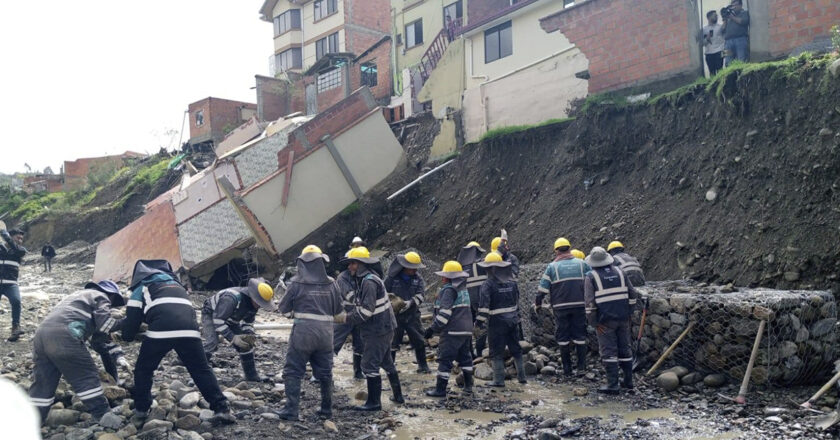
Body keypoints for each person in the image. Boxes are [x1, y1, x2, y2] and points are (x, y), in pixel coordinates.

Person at [123, 260, 234, 426]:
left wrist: (127, 336)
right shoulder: (178, 287)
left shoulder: (142, 287)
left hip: (161, 328)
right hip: (190, 329)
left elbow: (131, 323)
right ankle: (222, 408)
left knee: (144, 369)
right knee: (201, 369)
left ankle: (141, 409)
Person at [28, 280, 129, 422]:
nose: (111, 305)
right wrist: (129, 321)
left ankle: (33, 419)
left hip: (41, 335)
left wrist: (117, 355)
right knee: (85, 376)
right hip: (64, 335)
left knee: (44, 381)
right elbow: (107, 324)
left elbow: (100, 341)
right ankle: (103, 415)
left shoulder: (75, 297)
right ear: (111, 295)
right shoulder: (100, 296)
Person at [276, 245, 343, 420]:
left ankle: (291, 410)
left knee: (293, 370)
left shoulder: (296, 283)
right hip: (326, 335)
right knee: (325, 372)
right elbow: (337, 311)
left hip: (303, 334)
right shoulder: (331, 283)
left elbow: (282, 309)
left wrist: (294, 314)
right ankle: (326, 410)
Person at [345, 246, 404, 410]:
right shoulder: (371, 278)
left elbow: (366, 311)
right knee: (387, 362)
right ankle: (398, 397)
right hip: (385, 327)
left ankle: (374, 403)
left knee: (369, 364)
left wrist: (346, 318)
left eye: (353, 263)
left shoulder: (368, 282)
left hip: (377, 330)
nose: (350, 267)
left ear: (362, 264)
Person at [584, 247, 640, 394]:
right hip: (623, 318)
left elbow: (589, 304)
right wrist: (629, 313)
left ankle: (613, 385)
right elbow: (633, 294)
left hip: (605, 321)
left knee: (609, 352)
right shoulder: (621, 272)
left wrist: (594, 323)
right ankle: (628, 382)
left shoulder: (591, 276)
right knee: (625, 349)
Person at [201, 278, 275, 381]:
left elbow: (248, 322)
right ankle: (199, 371)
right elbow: (218, 320)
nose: (260, 306)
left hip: (231, 317)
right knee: (212, 342)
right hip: (211, 314)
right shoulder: (231, 298)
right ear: (253, 297)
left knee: (245, 344)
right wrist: (232, 337)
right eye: (259, 302)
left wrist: (249, 334)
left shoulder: (252, 305)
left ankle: (251, 376)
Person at [536, 238, 591, 377]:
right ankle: (581, 368)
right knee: (580, 335)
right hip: (580, 305)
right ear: (569, 248)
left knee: (563, 337)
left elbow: (542, 289)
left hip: (561, 307)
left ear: (556, 250)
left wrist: (538, 304)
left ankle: (567, 370)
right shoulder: (582, 264)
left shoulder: (552, 267)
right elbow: (593, 280)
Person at [424, 261, 474, 397]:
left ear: (447, 277)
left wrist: (431, 329)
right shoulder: (464, 290)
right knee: (465, 357)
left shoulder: (448, 290)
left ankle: (440, 390)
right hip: (467, 330)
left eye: (444, 276)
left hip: (452, 331)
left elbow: (444, 314)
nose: (442, 278)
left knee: (444, 359)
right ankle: (468, 386)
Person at [475, 252, 526, 387]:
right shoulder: (512, 282)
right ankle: (522, 377)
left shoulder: (488, 284)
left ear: (490, 269)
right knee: (516, 349)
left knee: (496, 352)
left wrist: (479, 322)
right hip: (513, 321)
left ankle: (498, 380)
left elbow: (484, 307)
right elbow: (517, 301)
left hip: (497, 323)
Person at [385, 252, 431, 373]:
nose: (415, 270)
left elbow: (421, 295)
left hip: (412, 315)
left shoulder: (418, 278)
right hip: (395, 316)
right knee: (393, 342)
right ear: (405, 266)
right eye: (412, 268)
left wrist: (410, 303)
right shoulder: (392, 278)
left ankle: (423, 366)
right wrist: (392, 303)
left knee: (419, 340)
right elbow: (383, 293)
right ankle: (390, 367)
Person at [332, 255, 366, 380]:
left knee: (360, 345)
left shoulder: (366, 277)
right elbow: (350, 296)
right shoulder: (343, 277)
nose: (349, 266)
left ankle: (358, 372)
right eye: (349, 263)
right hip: (343, 315)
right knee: (333, 343)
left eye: (353, 263)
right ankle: (321, 373)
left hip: (359, 316)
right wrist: (368, 302)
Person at [457, 241, 486, 358]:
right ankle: (479, 351)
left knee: (467, 326)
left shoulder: (461, 267)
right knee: (481, 325)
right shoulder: (483, 264)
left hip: (466, 301)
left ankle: (469, 352)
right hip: (481, 300)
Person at [0, 228, 26, 342]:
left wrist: (6, 237)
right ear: (11, 236)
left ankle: (15, 327)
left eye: (21, 238)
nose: (20, 240)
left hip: (11, 284)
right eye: (18, 238)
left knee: (16, 301)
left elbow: (16, 249)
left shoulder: (20, 250)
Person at [721, 0, 749, 65]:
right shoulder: (729, 15)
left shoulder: (744, 12)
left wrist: (732, 17)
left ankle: (741, 74)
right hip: (727, 42)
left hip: (741, 40)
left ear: (740, 5)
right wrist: (725, 18)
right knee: (728, 62)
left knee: (741, 59)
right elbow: (722, 29)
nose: (733, 7)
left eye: (735, 5)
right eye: (732, 6)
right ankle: (730, 75)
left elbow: (743, 22)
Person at [702, 10, 725, 76]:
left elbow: (724, 33)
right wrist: (707, 38)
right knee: (712, 72)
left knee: (720, 71)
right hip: (709, 53)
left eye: (717, 16)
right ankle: (714, 86)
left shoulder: (720, 27)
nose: (716, 17)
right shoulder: (704, 29)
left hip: (720, 51)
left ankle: (722, 85)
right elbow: (702, 44)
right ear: (709, 17)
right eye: (714, 16)